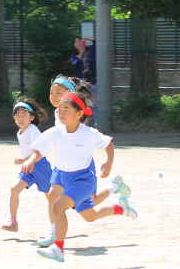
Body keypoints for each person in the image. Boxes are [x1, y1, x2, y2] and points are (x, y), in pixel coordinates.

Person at [22, 91, 137, 262]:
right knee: (90, 216)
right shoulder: (55, 132)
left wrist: (109, 163)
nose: (61, 113)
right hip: (61, 175)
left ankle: (58, 248)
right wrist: (31, 160)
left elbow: (108, 143)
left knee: (58, 206)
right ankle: (120, 207)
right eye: (59, 110)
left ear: (79, 114)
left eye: (66, 110)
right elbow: (39, 150)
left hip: (82, 180)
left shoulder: (88, 133)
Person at [36, 75, 131, 248]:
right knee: (60, 199)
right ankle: (54, 232)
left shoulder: (74, 115)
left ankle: (114, 189)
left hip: (81, 169)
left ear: (70, 95)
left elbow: (97, 141)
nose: (55, 96)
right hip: (63, 169)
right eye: (52, 93)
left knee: (89, 206)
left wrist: (108, 162)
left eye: (59, 92)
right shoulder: (59, 113)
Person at [1, 97, 54, 236]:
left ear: (32, 117)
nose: (20, 118)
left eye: (24, 115)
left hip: (41, 167)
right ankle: (13, 221)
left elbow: (39, 153)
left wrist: (22, 160)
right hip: (28, 169)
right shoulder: (20, 132)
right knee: (14, 189)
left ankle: (60, 221)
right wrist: (24, 162)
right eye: (17, 115)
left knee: (53, 198)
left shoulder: (33, 130)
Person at [70, 36, 97, 126]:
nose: (78, 43)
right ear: (73, 45)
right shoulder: (74, 56)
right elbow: (75, 64)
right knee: (82, 105)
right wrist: (80, 54)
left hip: (93, 81)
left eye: (80, 41)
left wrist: (88, 39)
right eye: (76, 42)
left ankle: (97, 123)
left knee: (95, 103)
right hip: (82, 84)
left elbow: (98, 43)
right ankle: (83, 124)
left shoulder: (90, 51)